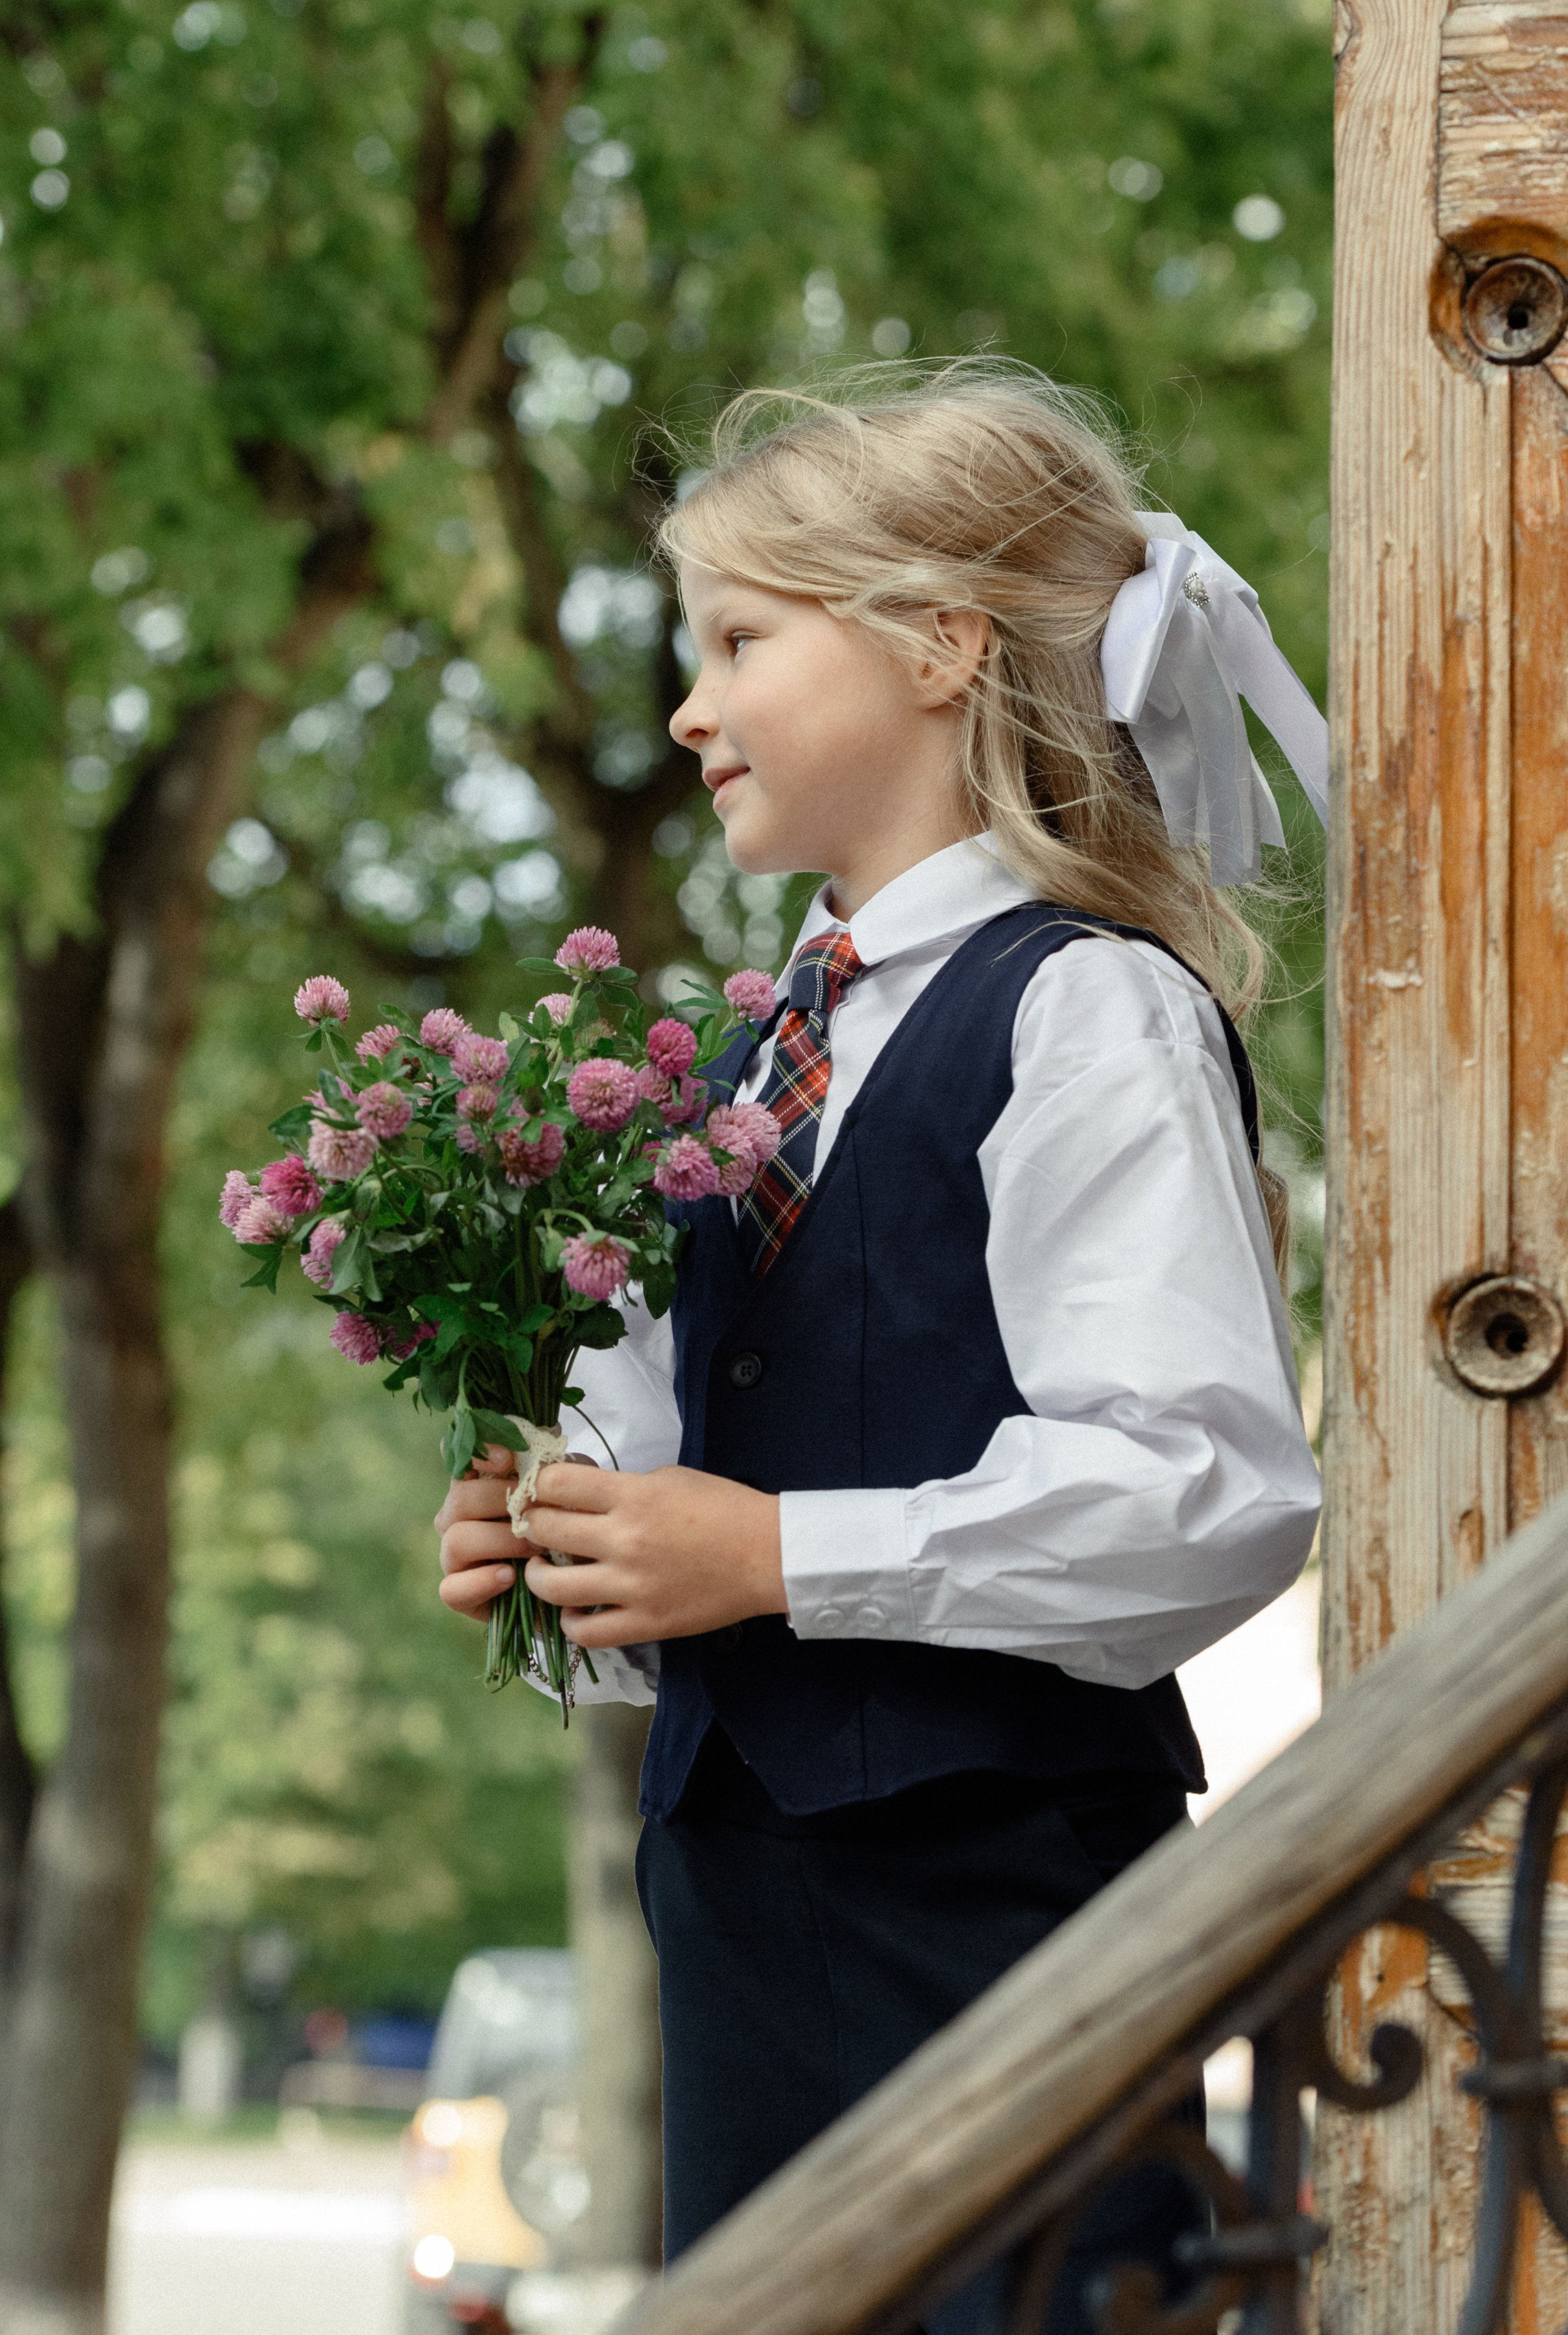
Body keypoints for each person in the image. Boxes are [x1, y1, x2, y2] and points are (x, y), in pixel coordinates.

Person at [435, 366, 1323, 2329]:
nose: (687, 707)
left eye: (739, 639)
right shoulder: (757, 1063)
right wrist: (575, 1554)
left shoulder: (1084, 1011)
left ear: (941, 642)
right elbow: (723, 1483)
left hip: (991, 1926)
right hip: (746, 1939)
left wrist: (769, 1552)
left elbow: (1209, 1491)